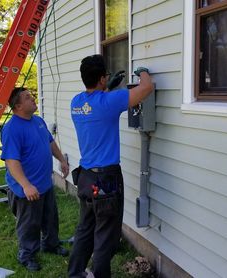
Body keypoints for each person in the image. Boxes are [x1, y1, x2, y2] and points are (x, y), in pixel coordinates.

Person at [68, 54, 154, 278]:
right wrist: (142, 71)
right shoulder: (109, 102)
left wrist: (108, 86)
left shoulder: (76, 102)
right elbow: (146, 88)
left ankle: (76, 273)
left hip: (85, 178)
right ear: (102, 79)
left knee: (85, 228)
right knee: (106, 236)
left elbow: (96, 103)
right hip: (106, 180)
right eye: (105, 76)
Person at [1, 87, 70, 272]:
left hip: (45, 184)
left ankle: (51, 244)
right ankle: (27, 254)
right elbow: (11, 161)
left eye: (31, 95)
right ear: (18, 106)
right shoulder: (11, 129)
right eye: (27, 97)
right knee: (29, 224)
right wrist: (26, 185)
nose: (33, 98)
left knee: (50, 218)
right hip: (27, 189)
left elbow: (50, 142)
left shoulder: (38, 121)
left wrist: (62, 160)